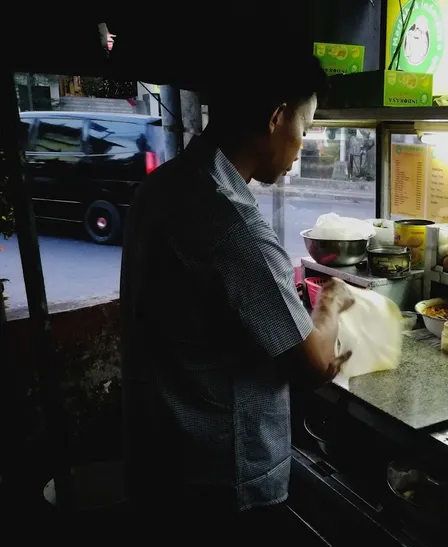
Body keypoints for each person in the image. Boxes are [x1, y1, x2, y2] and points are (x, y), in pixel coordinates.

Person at [119, 53, 355, 514]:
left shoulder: (165, 185)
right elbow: (313, 364)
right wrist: (331, 299)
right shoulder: (230, 220)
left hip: (158, 454)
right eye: (303, 130)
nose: (301, 146)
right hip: (218, 479)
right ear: (275, 117)